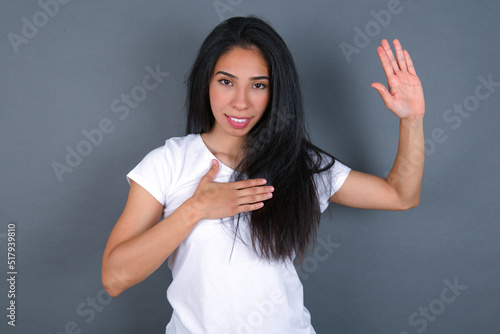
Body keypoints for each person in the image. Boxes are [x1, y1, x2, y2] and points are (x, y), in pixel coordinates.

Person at [101, 16, 425, 334]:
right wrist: (195, 209)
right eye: (226, 82)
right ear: (206, 83)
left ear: (275, 92)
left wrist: (412, 120)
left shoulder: (298, 163)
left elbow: (401, 195)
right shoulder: (169, 162)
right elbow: (115, 278)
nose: (240, 102)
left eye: (258, 85)